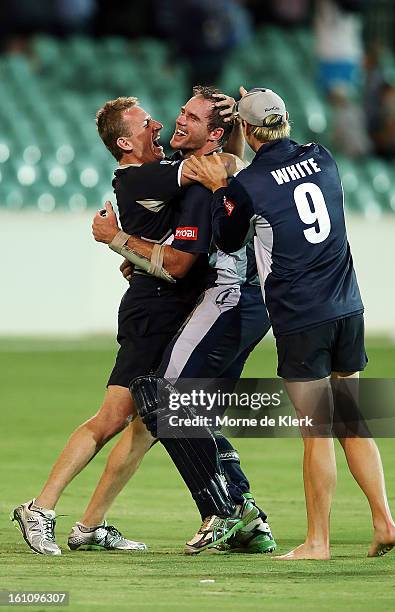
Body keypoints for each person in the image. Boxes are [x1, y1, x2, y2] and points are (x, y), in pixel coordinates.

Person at [11, 92, 262, 556]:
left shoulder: (158, 172)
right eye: (147, 123)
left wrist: (124, 246)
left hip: (171, 302)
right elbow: (214, 167)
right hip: (154, 308)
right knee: (113, 418)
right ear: (125, 142)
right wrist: (238, 131)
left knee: (148, 424)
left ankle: (90, 527)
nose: (160, 126)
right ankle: (40, 507)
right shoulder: (142, 175)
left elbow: (219, 164)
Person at [184, 87, 395, 559]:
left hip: (302, 317)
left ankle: (317, 542)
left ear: (244, 129)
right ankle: (383, 520)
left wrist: (221, 187)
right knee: (351, 420)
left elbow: (227, 237)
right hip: (348, 306)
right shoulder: (321, 157)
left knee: (315, 430)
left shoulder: (249, 185)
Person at [92, 86, 276, 554]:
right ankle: (246, 514)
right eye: (181, 111)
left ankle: (223, 512)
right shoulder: (208, 171)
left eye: (190, 118)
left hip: (229, 297)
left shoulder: (203, 177)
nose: (176, 122)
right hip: (246, 302)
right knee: (194, 409)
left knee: (163, 399)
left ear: (214, 133)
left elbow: (177, 264)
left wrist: (120, 241)